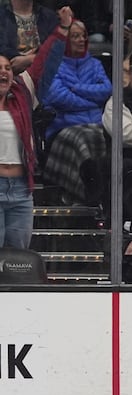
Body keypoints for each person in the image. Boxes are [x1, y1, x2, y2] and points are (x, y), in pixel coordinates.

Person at [0, 5, 71, 249]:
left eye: (8, 68)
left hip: (21, 190)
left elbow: (45, 64)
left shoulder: (24, 93)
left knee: (17, 262)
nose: (3, 72)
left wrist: (62, 30)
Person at [41, 19, 112, 206]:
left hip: (96, 123)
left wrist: (76, 87)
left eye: (84, 36)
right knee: (82, 141)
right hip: (64, 124)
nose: (81, 40)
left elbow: (107, 90)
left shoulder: (95, 64)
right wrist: (92, 101)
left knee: (107, 138)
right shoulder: (53, 64)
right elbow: (59, 97)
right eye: (75, 36)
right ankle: (86, 195)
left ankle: (103, 196)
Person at [0, 0, 58, 74]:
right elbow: (2, 48)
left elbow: (56, 49)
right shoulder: (2, 16)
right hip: (10, 73)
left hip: (43, 73)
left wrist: (31, 59)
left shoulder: (49, 16)